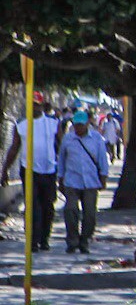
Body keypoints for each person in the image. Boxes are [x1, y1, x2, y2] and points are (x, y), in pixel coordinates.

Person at [4, 94, 62, 252]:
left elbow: (62, 146)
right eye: (31, 104)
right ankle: (33, 240)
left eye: (37, 104)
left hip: (49, 170)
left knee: (48, 206)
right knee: (32, 207)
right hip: (29, 170)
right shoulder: (21, 124)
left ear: (42, 106)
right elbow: (14, 148)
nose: (34, 107)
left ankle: (44, 238)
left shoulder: (53, 123)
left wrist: (64, 170)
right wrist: (5, 169)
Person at [55, 108, 110, 255]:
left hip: (91, 182)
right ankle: (72, 241)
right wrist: (60, 178)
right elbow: (62, 160)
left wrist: (103, 177)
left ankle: (84, 241)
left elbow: (103, 160)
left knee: (90, 214)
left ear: (87, 124)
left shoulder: (97, 139)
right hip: (72, 181)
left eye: (81, 124)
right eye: (76, 124)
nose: (79, 127)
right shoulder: (68, 139)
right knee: (70, 210)